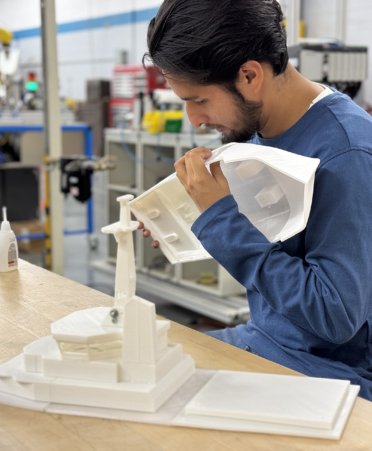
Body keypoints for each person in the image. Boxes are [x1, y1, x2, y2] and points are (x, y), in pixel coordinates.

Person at [139, 0, 372, 401]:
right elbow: (282, 242)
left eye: (199, 100)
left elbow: (335, 316)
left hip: (326, 372)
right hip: (267, 339)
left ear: (249, 75)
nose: (194, 120)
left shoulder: (346, 154)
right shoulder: (262, 127)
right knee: (138, 365)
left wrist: (221, 220)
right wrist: (188, 221)